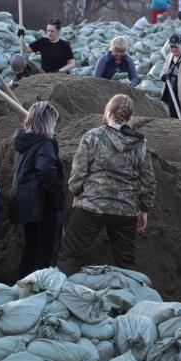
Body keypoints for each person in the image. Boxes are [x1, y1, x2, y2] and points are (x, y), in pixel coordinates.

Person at [59, 94, 156, 274]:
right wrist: (144, 209)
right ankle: (134, 299)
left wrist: (77, 193)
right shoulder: (140, 144)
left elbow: (78, 172)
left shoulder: (93, 136)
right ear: (129, 117)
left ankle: (58, 295)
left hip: (91, 205)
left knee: (70, 258)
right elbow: (149, 180)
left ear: (108, 112)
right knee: (126, 263)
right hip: (125, 210)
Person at [11, 101, 64, 277]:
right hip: (44, 203)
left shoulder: (23, 142)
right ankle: (40, 289)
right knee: (47, 250)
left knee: (31, 248)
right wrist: (55, 189)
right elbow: (46, 170)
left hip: (25, 202)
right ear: (48, 122)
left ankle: (23, 285)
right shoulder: (44, 144)